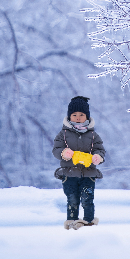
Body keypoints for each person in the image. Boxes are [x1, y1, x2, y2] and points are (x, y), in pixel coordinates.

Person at [52, 96, 105, 230]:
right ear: (69, 116)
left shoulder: (93, 135)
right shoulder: (63, 134)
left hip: (88, 173)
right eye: (74, 115)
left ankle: (88, 221)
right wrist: (63, 153)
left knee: (87, 198)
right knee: (72, 199)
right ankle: (72, 221)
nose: (78, 117)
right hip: (69, 173)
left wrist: (98, 157)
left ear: (87, 117)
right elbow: (56, 149)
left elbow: (100, 149)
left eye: (81, 115)